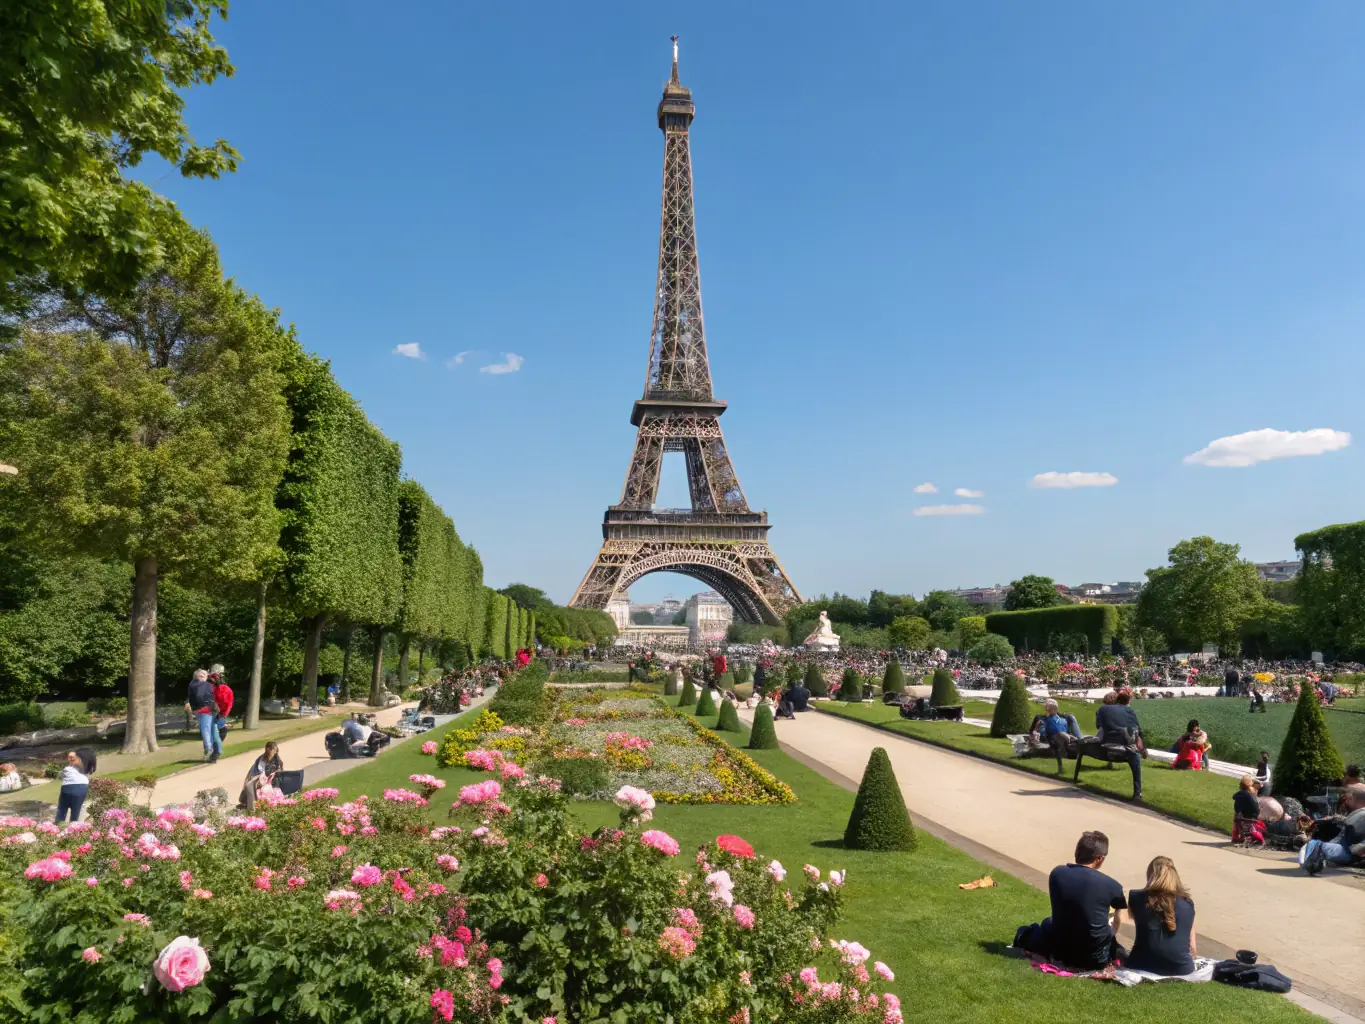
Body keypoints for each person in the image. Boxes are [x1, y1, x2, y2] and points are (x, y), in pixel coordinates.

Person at [1017, 831, 1128, 968]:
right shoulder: (1113, 886)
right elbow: (1118, 917)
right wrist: (1111, 932)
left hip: (1060, 951)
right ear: (1099, 859)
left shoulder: (1057, 873)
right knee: (1105, 934)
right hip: (1094, 959)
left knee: (1048, 922)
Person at [1125, 856, 1198, 976]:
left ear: (1150, 875)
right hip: (1182, 968)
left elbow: (1134, 917)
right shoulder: (1188, 903)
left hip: (1140, 963)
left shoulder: (1136, 897)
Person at [1299, 784, 1365, 873]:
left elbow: (1354, 848)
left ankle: (1317, 850)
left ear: (1352, 798)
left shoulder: (1359, 816)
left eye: (1347, 798)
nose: (1345, 800)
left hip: (1351, 853)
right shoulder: (1357, 815)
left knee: (1317, 845)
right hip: (1352, 853)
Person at [1094, 689, 1145, 801]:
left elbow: (1099, 725)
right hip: (1128, 749)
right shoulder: (1129, 711)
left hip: (1107, 746)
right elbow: (1137, 730)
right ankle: (1138, 792)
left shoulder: (1102, 709)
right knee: (1134, 755)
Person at [1029, 699, 1080, 773]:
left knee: (1061, 735)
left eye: (1051, 708)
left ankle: (1072, 742)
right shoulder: (1040, 718)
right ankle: (1072, 741)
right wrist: (1035, 731)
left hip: (1059, 738)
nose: (1048, 710)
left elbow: (1065, 729)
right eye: (1048, 707)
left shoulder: (1062, 719)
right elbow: (1032, 731)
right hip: (1049, 738)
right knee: (1060, 735)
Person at [185, 668, 221, 763]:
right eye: (202, 675)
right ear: (197, 676)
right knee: (209, 729)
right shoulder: (199, 684)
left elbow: (195, 697)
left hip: (205, 710)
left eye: (205, 675)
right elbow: (199, 696)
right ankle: (212, 749)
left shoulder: (196, 684)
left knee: (207, 729)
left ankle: (210, 749)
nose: (204, 677)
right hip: (207, 709)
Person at [241, 741, 283, 812]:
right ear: (268, 749)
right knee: (250, 786)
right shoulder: (261, 759)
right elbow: (258, 771)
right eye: (273, 750)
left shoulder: (277, 760)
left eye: (275, 750)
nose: (275, 752)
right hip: (259, 777)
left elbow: (279, 770)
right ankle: (252, 807)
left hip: (272, 779)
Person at [54, 750, 89, 823]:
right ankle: (65, 826)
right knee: (68, 811)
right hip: (74, 789)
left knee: (68, 811)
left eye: (73, 757)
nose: (71, 758)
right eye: (69, 757)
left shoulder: (82, 766)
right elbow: (59, 776)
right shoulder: (67, 768)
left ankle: (68, 827)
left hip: (76, 788)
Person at [1231, 776, 1265, 845]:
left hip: (1247, 817)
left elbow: (1234, 796)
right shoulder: (1251, 792)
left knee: (1237, 812)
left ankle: (1237, 836)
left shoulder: (1243, 793)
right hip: (1254, 816)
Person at [211, 664, 233, 742]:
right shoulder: (213, 687)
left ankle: (216, 745)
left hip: (219, 712)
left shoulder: (223, 689)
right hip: (216, 711)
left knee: (220, 728)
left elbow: (228, 703)